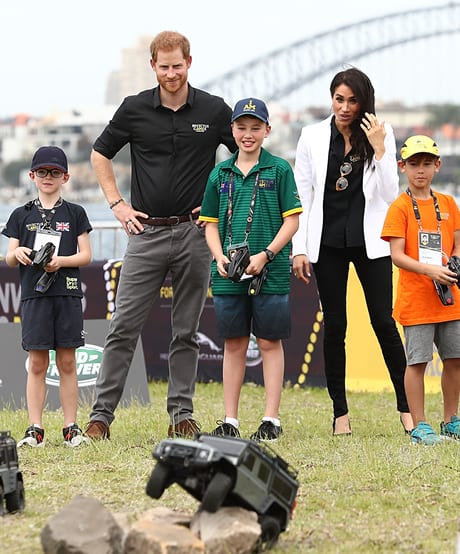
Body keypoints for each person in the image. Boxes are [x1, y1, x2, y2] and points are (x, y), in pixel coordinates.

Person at [84, 31, 236, 440]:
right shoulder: (134, 109)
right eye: (164, 66)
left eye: (178, 65)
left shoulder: (215, 109)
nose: (171, 73)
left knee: (185, 331)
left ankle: (181, 414)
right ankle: (100, 418)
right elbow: (100, 153)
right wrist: (117, 204)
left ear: (190, 62)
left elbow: (243, 157)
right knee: (123, 327)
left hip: (194, 233)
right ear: (153, 66)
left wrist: (219, 207)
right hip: (146, 233)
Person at [291, 67, 413, 436]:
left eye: (352, 100)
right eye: (339, 99)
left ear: (364, 102)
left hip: (370, 242)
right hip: (325, 243)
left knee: (383, 323)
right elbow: (302, 195)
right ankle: (339, 414)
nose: (344, 107)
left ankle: (407, 411)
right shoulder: (311, 135)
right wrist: (299, 248)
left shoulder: (381, 133)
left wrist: (379, 149)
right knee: (336, 326)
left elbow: (390, 194)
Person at [199, 98, 303, 441]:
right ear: (232, 131)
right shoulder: (220, 173)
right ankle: (231, 419)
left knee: (270, 342)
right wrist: (219, 257)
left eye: (255, 127)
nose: (248, 134)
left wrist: (267, 254)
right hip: (229, 275)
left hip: (269, 272)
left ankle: (271, 419)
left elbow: (292, 221)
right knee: (233, 344)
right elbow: (210, 223)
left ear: (267, 130)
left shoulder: (279, 169)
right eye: (241, 127)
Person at [2, 146, 92, 447]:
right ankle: (36, 428)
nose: (48, 177)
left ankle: (71, 427)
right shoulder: (20, 215)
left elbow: (86, 256)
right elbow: (9, 258)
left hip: (66, 294)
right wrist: (19, 252)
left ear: (65, 176)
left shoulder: (76, 213)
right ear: (32, 175)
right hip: (34, 296)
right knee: (37, 362)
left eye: (55, 172)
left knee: (68, 362)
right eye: (42, 172)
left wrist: (60, 262)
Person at [381, 135, 460, 445]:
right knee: (417, 362)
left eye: (427, 163)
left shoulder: (449, 203)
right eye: (414, 164)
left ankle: (451, 419)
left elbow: (456, 243)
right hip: (417, 300)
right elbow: (397, 255)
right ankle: (420, 426)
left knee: (454, 360)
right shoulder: (400, 207)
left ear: (437, 165)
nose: (421, 170)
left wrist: (453, 263)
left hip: (450, 298)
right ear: (403, 167)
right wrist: (430, 270)